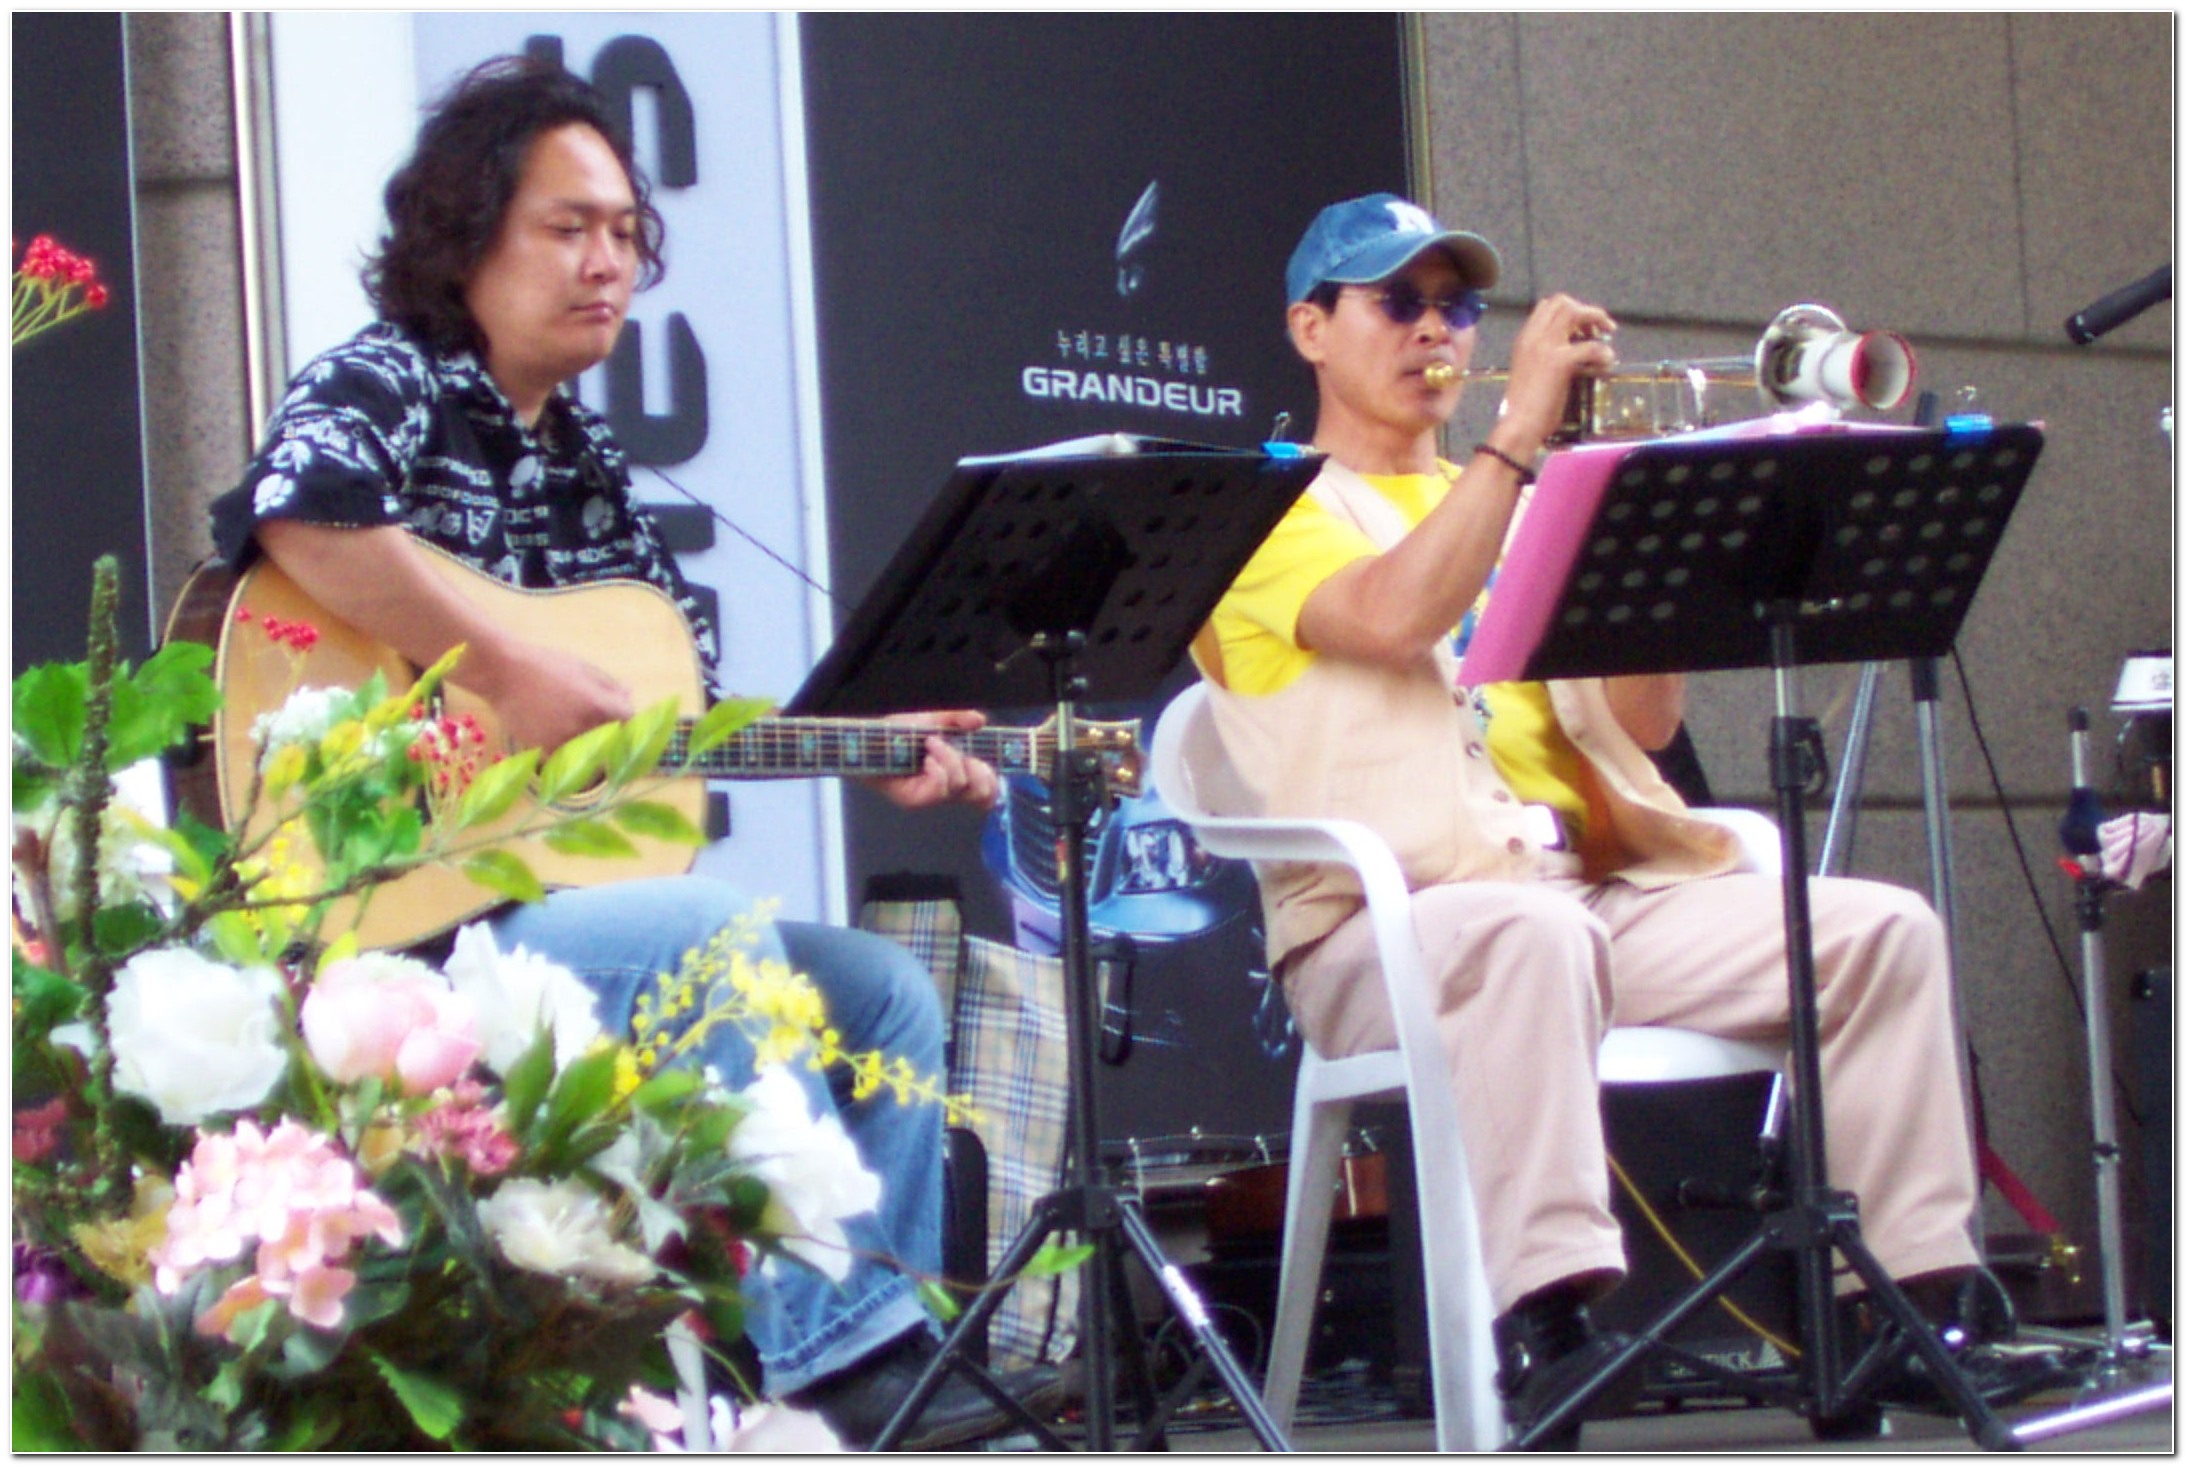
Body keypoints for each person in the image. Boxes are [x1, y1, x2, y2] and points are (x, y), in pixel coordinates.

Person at [207, 56, 1058, 1452]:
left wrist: (862, 746)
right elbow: (298, 510)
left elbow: (649, 724)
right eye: (567, 227)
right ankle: (843, 1360)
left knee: (882, 990)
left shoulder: (585, 456)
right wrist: (499, 668)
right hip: (392, 932)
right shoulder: (391, 378)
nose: (607, 263)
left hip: (531, 915)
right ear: (465, 237)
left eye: (623, 232)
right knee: (710, 935)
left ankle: (878, 1355)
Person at [1192, 193, 2055, 1442]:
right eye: (1398, 303)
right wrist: (1522, 440)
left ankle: (1910, 1311)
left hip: (1586, 888)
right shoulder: (1266, 514)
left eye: (1456, 306)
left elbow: (1642, 727)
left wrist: (1645, 525)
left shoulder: (1517, 503)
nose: (1435, 330)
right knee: (1529, 936)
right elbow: (1390, 618)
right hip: (1388, 925)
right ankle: (1548, 1327)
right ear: (1310, 330)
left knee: (1880, 932)